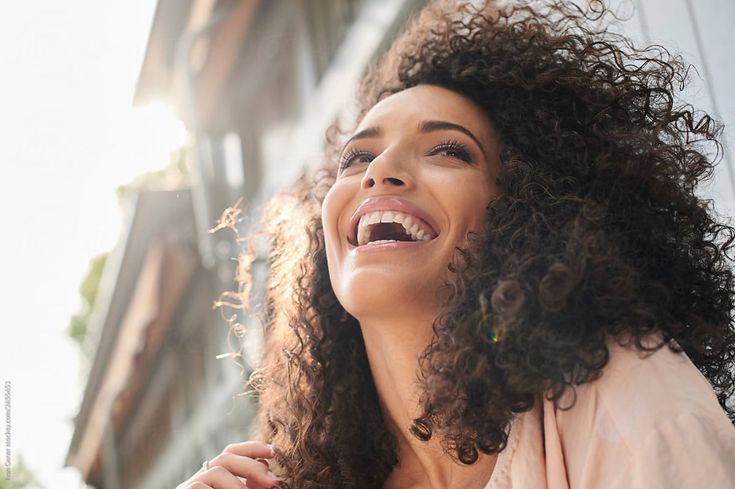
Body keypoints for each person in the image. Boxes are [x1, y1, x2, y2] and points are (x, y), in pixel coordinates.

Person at [177, 0, 735, 487]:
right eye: (358, 158)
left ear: (526, 212)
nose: (381, 172)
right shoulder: (296, 479)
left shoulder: (630, 407)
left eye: (448, 150)